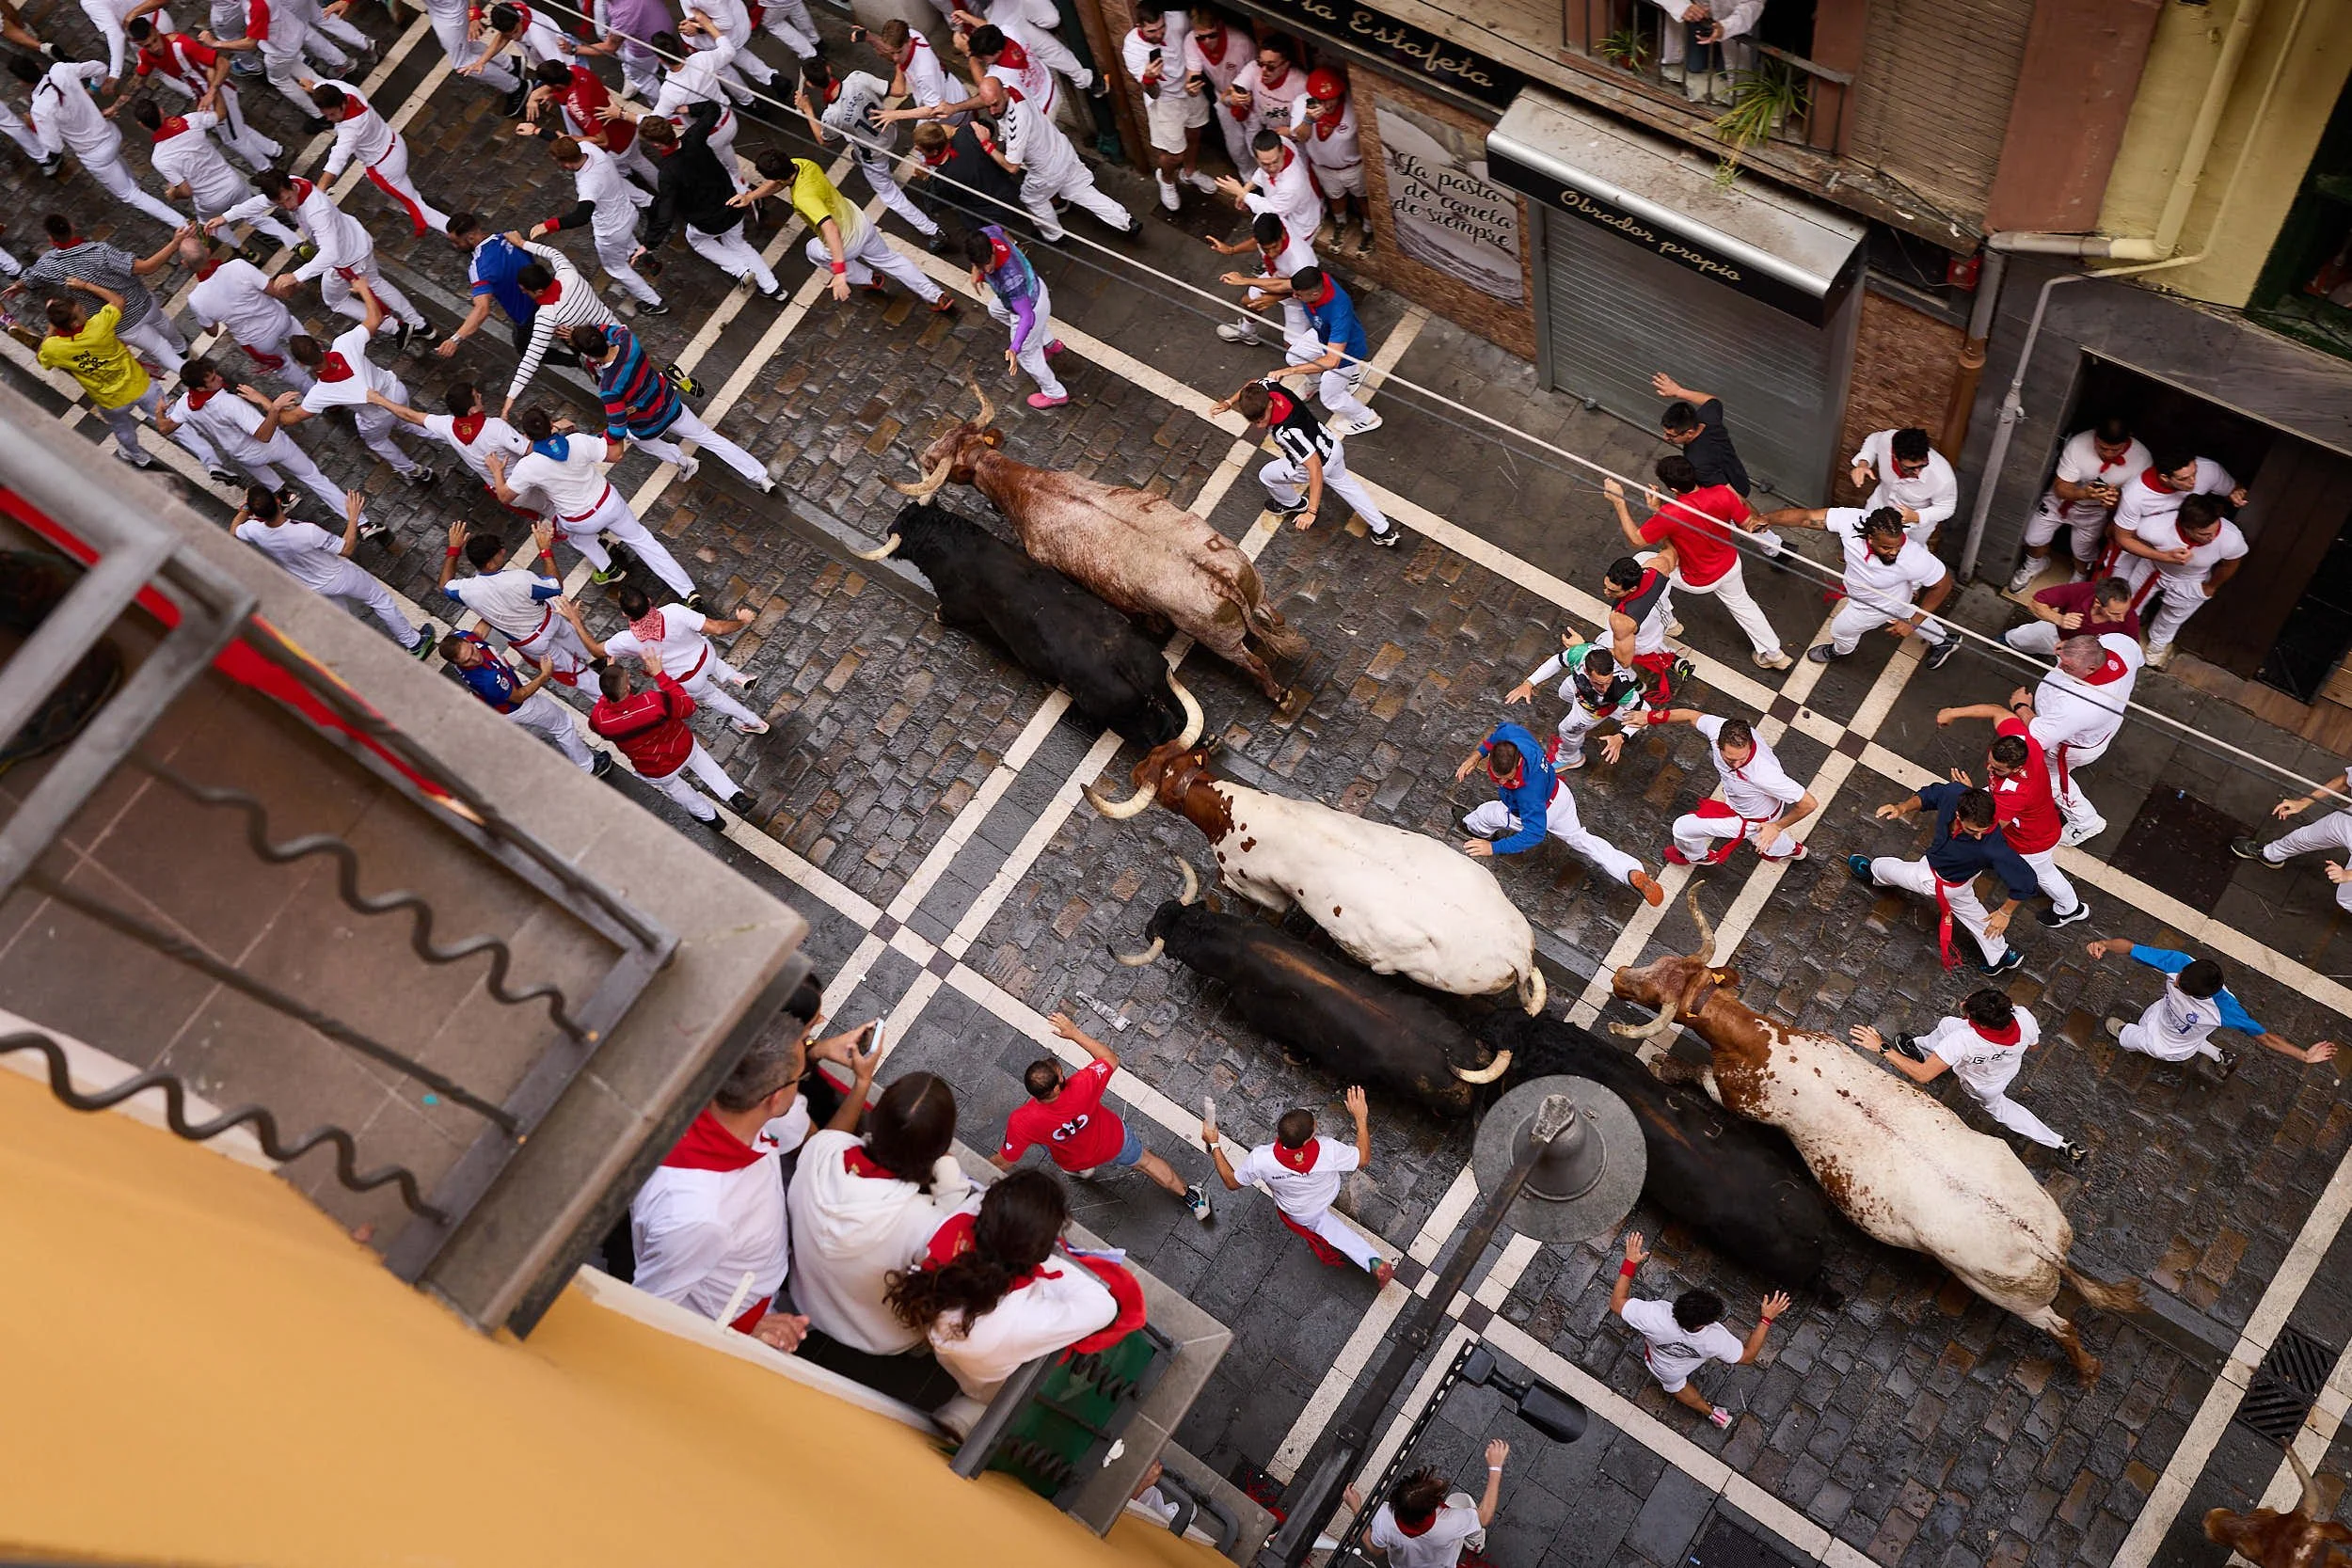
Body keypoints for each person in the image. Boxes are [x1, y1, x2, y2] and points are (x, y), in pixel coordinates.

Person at [628, 1027, 875, 1349]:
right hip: (750, 1312)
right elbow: (646, 1312)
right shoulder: (699, 1219)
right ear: (774, 1099)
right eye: (799, 1078)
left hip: (766, 1265)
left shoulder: (733, 1114)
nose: (800, 1087)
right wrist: (743, 1332)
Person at [885, 1167, 1143, 1435]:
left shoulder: (948, 1232)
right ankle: (977, 1412)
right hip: (997, 1378)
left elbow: (980, 1200)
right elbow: (1103, 1306)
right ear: (1037, 1252)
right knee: (1014, 1393)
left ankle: (966, 1411)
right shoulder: (1017, 1318)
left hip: (958, 1359)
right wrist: (1047, 1259)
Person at [787, 1068, 976, 1355]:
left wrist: (862, 1083)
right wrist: (949, 1171)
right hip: (880, 1338)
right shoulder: (924, 1222)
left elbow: (833, 1136)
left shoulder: (822, 1152)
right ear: (938, 1149)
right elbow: (950, 1222)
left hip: (805, 1300)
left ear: (874, 1120)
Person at [998, 1012, 1214, 1220]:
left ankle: (1082, 1172)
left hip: (1073, 1158)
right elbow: (1110, 1058)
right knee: (1146, 1162)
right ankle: (1192, 1197)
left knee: (1045, 1141)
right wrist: (1074, 1033)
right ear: (1055, 1089)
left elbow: (1004, 1162)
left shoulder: (1022, 1121)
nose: (1061, 1071)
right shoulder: (1083, 1084)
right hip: (1113, 1141)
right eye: (1059, 1075)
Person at [490, 408, 703, 602]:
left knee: (572, 534)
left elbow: (505, 496)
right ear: (551, 422)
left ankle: (606, 566)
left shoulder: (527, 466)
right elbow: (615, 454)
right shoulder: (577, 441)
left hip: (579, 521)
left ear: (527, 436)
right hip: (609, 504)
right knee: (644, 541)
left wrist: (497, 471)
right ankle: (688, 592)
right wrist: (614, 432)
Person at [1851, 990, 2082, 1163]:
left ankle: (1919, 1050)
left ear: (1980, 1023)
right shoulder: (2023, 1017)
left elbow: (1923, 1076)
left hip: (1979, 1084)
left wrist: (1882, 1047)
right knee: (1947, 1026)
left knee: (1949, 1035)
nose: (1963, 1003)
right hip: (2004, 1072)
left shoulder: (1963, 1040)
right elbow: (2033, 1047)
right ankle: (2059, 1143)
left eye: (1968, 1010)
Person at [214, 171, 436, 344]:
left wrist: (296, 276)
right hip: (354, 243)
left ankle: (403, 326)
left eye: (287, 200)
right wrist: (226, 217)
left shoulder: (316, 211)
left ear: (291, 189)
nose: (287, 206)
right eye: (280, 204)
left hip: (347, 259)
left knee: (338, 299)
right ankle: (417, 326)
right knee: (372, 285)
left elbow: (330, 254)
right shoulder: (291, 182)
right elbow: (260, 203)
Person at [1454, 721, 1663, 905]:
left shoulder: (1527, 793)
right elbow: (1497, 736)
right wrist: (1475, 757)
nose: (1501, 782)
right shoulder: (1513, 736)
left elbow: (1533, 834)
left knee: (1487, 814)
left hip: (1534, 811)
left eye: (1506, 778)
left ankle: (1476, 831)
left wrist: (1493, 847)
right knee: (1581, 838)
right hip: (1560, 796)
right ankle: (1631, 871)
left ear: (1519, 762)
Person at [1607, 463, 1788, 670]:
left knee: (1642, 562)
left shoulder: (1671, 513)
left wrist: (1619, 501)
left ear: (1673, 489)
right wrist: (1659, 510)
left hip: (1697, 579)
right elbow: (1747, 523)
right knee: (1743, 604)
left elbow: (1636, 539)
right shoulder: (1722, 493)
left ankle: (1670, 623)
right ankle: (1774, 653)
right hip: (1729, 565)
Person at [1204, 1085, 1389, 1282]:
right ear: (1308, 1139)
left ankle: (1372, 1261)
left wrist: (1214, 1143)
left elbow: (1232, 1182)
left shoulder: (1261, 1159)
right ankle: (1372, 1262)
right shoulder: (1328, 1150)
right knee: (1330, 1226)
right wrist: (1361, 1117)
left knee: (1331, 1230)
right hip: (1328, 1192)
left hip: (1302, 1212)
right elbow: (1363, 1158)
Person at [1929, 702, 2088, 927]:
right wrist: (1954, 711)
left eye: (1998, 770)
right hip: (2041, 820)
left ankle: (2071, 908)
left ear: (2015, 768)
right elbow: (1998, 711)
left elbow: (1987, 825)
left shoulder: (2014, 793)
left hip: (2031, 841)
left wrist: (1968, 793)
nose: (1989, 770)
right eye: (1991, 762)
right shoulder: (2023, 745)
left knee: (2043, 874)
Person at [1851, 783, 2037, 974]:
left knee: (1889, 868)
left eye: (1984, 829)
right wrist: (1902, 807)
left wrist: (2005, 912)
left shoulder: (1992, 847)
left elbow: (2026, 879)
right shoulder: (1953, 793)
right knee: (1970, 911)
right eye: (1973, 830)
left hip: (1934, 880)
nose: (1980, 836)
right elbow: (1930, 795)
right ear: (1958, 814)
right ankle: (2000, 955)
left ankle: (1874, 871)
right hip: (1961, 880)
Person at [1609, 1229, 1787, 1427]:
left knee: (1675, 1386)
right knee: (1678, 1384)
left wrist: (1630, 1262)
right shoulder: (1715, 1341)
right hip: (1689, 1360)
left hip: (1664, 1365)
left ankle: (1713, 1414)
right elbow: (1748, 1356)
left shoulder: (1655, 1317)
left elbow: (1617, 1303)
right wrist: (1766, 1319)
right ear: (1703, 1323)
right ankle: (1716, 1416)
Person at [2087, 938, 2338, 1075]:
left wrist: (2304, 1055)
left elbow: (2267, 1038)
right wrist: (2106, 945)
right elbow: (2131, 947)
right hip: (2170, 1020)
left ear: (2200, 997)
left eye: (2180, 984)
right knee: (2194, 1036)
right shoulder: (2179, 962)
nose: (2174, 980)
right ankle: (2220, 1055)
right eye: (2179, 975)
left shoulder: (2226, 1011)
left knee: (2131, 1038)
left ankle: (2124, 1033)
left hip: (2166, 1046)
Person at [272, 280, 438, 488]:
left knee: (376, 441)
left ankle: (413, 471)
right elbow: (375, 317)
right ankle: (445, 434)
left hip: (377, 416)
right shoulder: (345, 343)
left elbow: (290, 418)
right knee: (408, 419)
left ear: (301, 363)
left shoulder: (322, 393)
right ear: (319, 344)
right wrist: (363, 290)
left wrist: (272, 407)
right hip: (395, 390)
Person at [570, 320, 772, 487]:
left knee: (638, 439)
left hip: (648, 425)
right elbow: (613, 329)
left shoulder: (609, 387)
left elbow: (617, 430)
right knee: (709, 438)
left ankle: (682, 461)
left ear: (589, 355)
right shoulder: (629, 342)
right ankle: (760, 476)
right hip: (670, 404)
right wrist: (588, 332)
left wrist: (601, 436)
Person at [1757, 502, 1959, 670]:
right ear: (1869, 537)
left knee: (1841, 630)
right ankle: (1944, 640)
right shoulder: (1851, 521)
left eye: (1898, 546)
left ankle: (1838, 650)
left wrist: (1913, 622)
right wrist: (1765, 519)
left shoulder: (1914, 557)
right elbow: (1806, 517)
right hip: (1891, 594)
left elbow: (1943, 584)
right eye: (1887, 547)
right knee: (1903, 611)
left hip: (1873, 606)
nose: (1894, 553)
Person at [231, 488, 432, 655]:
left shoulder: (254, 530)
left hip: (313, 585)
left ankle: (361, 654)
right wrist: (353, 517)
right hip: (340, 575)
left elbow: (234, 530)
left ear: (257, 515)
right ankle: (414, 643)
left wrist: (245, 508)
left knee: (344, 620)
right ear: (277, 500)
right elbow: (346, 548)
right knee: (379, 600)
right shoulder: (307, 531)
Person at [11, 54, 188, 230]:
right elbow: (100, 68)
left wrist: (34, 127)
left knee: (130, 195)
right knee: (119, 166)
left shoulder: (40, 109)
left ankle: (182, 224)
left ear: (21, 82)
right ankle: (136, 184)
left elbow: (54, 147)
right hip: (111, 133)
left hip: (96, 155)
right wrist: (94, 88)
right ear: (35, 64)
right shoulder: (60, 70)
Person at [764, 151, 954, 313]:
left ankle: (869, 278)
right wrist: (750, 196)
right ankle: (936, 295)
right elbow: (780, 183)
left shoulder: (803, 198)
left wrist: (840, 274)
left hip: (846, 245)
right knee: (891, 260)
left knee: (812, 250)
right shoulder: (803, 164)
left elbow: (830, 230)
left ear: (777, 178)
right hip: (861, 223)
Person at [1216, 375, 1398, 546]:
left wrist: (1311, 511)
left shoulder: (1286, 433)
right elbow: (1252, 385)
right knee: (1346, 485)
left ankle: (1292, 503)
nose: (1257, 425)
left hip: (1313, 463)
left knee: (1267, 475)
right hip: (1331, 445)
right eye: (1253, 420)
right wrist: (1229, 402)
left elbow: (1315, 468)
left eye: (1260, 419)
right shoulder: (1268, 387)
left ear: (1269, 405)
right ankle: (1383, 530)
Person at [159, 358, 354, 515]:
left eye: (215, 374)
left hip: (243, 455)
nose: (219, 379)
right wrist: (273, 408)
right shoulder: (230, 403)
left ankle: (285, 495)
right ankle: (360, 522)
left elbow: (165, 428)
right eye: (212, 379)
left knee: (255, 467)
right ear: (201, 388)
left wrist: (159, 412)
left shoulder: (185, 404)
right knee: (313, 477)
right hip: (272, 446)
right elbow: (263, 435)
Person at [579, 583, 769, 736]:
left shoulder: (627, 640)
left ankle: (754, 722)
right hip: (706, 655)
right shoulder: (674, 611)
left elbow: (596, 650)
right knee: (717, 665)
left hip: (689, 680)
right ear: (649, 600)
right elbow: (718, 628)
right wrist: (742, 622)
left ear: (625, 614)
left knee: (715, 697)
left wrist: (575, 620)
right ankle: (737, 677)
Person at [588, 653, 755, 825]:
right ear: (628, 686)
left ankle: (710, 818)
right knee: (706, 766)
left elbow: (595, 723)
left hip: (656, 768)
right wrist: (660, 675)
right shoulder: (653, 702)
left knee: (678, 791)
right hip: (682, 747)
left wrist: (608, 691)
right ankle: (734, 795)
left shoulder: (601, 719)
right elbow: (688, 706)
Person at [2011, 629, 2143, 847]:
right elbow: (2136, 657)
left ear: (2091, 668)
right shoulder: (2121, 643)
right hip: (2092, 730)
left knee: (2047, 776)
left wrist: (2021, 706)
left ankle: (2085, 821)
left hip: (2068, 746)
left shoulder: (2080, 705)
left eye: (2068, 667)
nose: (2060, 666)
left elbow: (2039, 735)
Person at [795, 53, 941, 247]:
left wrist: (808, 110)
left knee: (890, 195)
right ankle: (934, 171)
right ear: (828, 68)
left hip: (874, 154)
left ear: (811, 85)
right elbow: (897, 90)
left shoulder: (831, 115)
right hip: (889, 130)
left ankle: (933, 231)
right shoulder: (857, 77)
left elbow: (824, 140)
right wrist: (899, 63)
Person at [641, 106, 785, 301]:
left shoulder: (667, 173)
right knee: (738, 244)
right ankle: (773, 288)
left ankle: (740, 271)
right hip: (733, 206)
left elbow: (665, 215)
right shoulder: (694, 137)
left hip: (708, 222)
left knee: (697, 241)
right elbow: (713, 109)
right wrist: (689, 108)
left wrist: (648, 244)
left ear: (656, 145)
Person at [19, 214, 190, 372]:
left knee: (160, 350)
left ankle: (189, 372)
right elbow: (147, 267)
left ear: (51, 238)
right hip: (143, 303)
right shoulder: (100, 251)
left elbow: (31, 277)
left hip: (120, 323)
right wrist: (175, 243)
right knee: (163, 323)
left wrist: (18, 285)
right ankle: (181, 347)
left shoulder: (49, 264)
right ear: (72, 226)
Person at [437, 518, 600, 684]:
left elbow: (444, 585)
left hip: (531, 643)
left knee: (574, 672)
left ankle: (599, 684)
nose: (504, 551)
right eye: (499, 551)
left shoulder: (465, 591)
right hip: (550, 621)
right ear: (490, 562)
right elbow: (556, 586)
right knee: (576, 641)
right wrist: (545, 551)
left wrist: (454, 549)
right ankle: (599, 663)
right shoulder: (520, 578)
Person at [978, 73, 1136, 242]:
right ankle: (1126, 221)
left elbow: (1012, 166)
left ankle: (1054, 236)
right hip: (1062, 151)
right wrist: (956, 108)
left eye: (995, 105)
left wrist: (986, 145)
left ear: (1004, 93)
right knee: (1082, 191)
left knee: (1032, 198)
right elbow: (987, 95)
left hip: (1046, 170)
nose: (992, 111)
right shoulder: (1011, 83)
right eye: (988, 106)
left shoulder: (1017, 121)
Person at [1645, 710, 1814, 865]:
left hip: (1752, 819)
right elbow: (1692, 715)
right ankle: (1789, 850)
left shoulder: (1763, 774)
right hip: (1748, 802)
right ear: (1718, 743)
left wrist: (1777, 827)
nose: (1738, 764)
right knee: (1762, 835)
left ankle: (1697, 856)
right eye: (1731, 759)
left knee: (1682, 828)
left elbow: (1809, 803)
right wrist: (1648, 717)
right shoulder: (1719, 729)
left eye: (1743, 758)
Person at [2104, 491, 2247, 669]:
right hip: (2154, 569)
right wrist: (2160, 555)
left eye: (2214, 530)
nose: (2212, 537)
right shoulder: (2155, 527)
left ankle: (2157, 645)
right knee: (2129, 605)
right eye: (2204, 534)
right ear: (2186, 527)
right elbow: (2124, 537)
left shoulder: (2231, 538)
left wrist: (2211, 586)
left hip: (2192, 579)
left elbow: (2230, 564)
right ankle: (2119, 638)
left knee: (2173, 617)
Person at [2006, 416, 2149, 593]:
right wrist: (2085, 493)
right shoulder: (2078, 444)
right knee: (2033, 538)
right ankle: (2034, 564)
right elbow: (2061, 488)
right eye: (2103, 448)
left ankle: (2080, 576)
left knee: (2083, 552)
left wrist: (2113, 503)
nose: (2108, 454)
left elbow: (2134, 503)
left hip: (2095, 513)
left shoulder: (2142, 459)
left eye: (2115, 450)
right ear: (2095, 436)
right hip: (2059, 503)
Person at [135, 102, 296, 254]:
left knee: (208, 225)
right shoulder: (191, 121)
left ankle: (243, 250)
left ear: (142, 125)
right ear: (161, 110)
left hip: (210, 200)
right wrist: (215, 89)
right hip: (233, 184)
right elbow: (220, 115)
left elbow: (186, 191)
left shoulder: (159, 158)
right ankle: (296, 243)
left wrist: (173, 194)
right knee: (256, 217)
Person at [533, 135, 665, 316]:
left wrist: (549, 225)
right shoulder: (588, 147)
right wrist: (538, 131)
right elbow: (566, 140)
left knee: (617, 268)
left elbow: (581, 216)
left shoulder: (588, 183)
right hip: (628, 212)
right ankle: (646, 258)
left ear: (566, 164)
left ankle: (655, 302)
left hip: (611, 230)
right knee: (627, 238)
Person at [441, 631, 606, 774]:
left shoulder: (461, 638)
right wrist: (544, 674)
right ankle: (588, 766)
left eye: (472, 650)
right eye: (467, 660)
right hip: (517, 706)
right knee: (562, 723)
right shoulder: (487, 680)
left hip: (497, 700)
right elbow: (519, 696)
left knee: (560, 723)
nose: (476, 658)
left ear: (467, 642)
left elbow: (477, 633)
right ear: (458, 663)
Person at [38, 278, 162, 467]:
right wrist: (86, 286)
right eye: (80, 312)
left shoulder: (53, 348)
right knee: (164, 415)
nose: (84, 311)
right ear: (73, 323)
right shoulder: (98, 325)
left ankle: (139, 457)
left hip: (109, 401)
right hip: (137, 385)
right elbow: (118, 301)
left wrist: (51, 328)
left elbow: (41, 357)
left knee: (122, 429)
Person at [127, 20, 280, 170]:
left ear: (155, 30)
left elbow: (223, 64)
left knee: (233, 139)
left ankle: (266, 169)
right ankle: (273, 149)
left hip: (219, 92)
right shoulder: (147, 55)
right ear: (140, 45)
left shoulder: (182, 45)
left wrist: (211, 92)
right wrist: (115, 106)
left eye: (155, 40)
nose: (155, 47)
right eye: (149, 45)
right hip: (206, 95)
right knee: (236, 128)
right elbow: (138, 78)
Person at [373, 380, 542, 516]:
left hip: (503, 488)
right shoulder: (496, 428)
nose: (480, 396)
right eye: (477, 396)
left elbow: (410, 415)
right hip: (528, 481)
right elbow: (530, 450)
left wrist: (380, 400)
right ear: (472, 410)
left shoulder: (447, 426)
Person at [308, 76, 448, 236]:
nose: (329, 119)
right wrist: (314, 87)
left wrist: (320, 189)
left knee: (415, 206)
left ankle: (456, 231)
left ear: (343, 104)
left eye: (332, 114)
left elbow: (337, 159)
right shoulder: (348, 91)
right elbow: (327, 85)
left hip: (385, 169)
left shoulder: (350, 130)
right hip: (394, 142)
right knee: (406, 199)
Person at [500, 235, 620, 415]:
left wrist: (510, 399)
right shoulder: (568, 272)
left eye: (525, 291)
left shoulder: (548, 316)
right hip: (619, 334)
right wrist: (522, 243)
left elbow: (531, 359)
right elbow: (551, 252)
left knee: (619, 389)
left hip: (602, 358)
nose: (524, 294)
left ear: (539, 291)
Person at [1506, 627, 1645, 771]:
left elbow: (1643, 711)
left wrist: (1622, 736)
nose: (1604, 689)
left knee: (1567, 729)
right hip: (1576, 687)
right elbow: (1557, 661)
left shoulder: (1621, 690)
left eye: (1608, 682)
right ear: (1585, 670)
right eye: (1598, 683)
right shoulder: (1578, 653)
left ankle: (1570, 758)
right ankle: (1622, 712)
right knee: (1563, 693)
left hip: (1592, 711)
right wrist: (1529, 683)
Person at [1350, 1446, 1509, 1568]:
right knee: (1462, 1500)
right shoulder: (1451, 1522)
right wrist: (1495, 1468)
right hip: (1444, 1563)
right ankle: (1476, 1545)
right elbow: (1485, 1517)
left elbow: (1376, 1550)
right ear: (1432, 1507)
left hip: (1403, 1564)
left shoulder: (1382, 1516)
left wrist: (1358, 1510)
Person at [183, 236, 310, 388]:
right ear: (208, 251)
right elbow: (277, 291)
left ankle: (320, 398)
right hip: (281, 319)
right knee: (309, 348)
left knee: (287, 369)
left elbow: (212, 331)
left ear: (185, 264)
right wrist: (296, 286)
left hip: (259, 341)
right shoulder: (238, 266)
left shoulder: (195, 299)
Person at [1265, 265, 1376, 436]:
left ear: (1315, 294)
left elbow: (1333, 361)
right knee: (1295, 356)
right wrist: (1244, 281)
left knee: (1331, 398)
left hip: (1346, 353)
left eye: (1299, 295)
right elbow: (1283, 286)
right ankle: (1318, 382)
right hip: (1324, 335)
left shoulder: (1339, 310)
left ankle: (1366, 418)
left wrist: (1287, 372)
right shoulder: (1318, 280)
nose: (1294, 296)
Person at [966, 224, 1067, 410]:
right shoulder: (988, 235)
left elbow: (1027, 317)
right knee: (995, 309)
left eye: (987, 263)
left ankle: (1055, 393)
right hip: (1035, 291)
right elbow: (998, 227)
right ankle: (1049, 344)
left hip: (1029, 307)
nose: (986, 269)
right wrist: (976, 270)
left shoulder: (1011, 279)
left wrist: (1015, 347)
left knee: (1026, 356)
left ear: (992, 252)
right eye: (980, 265)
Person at [517, 56, 657, 186]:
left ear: (557, 85)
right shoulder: (576, 70)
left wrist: (573, 139)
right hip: (625, 127)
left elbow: (603, 141)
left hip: (616, 146)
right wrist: (554, 95)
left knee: (622, 174)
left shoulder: (577, 108)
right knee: (638, 162)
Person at [2232, 768, 2352, 916]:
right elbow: (2344, 782)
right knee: (2301, 838)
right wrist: (2303, 802)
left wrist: (2347, 875)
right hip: (2347, 822)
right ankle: (2270, 855)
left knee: (2345, 899)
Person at [1124, 9, 1210, 212]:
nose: (1160, 33)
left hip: (1189, 88)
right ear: (1139, 26)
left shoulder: (1177, 20)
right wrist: (1149, 78)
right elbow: (1152, 93)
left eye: (1162, 27)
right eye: (1152, 30)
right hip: (1165, 100)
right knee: (1174, 154)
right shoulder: (1132, 48)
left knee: (1195, 132)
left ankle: (1189, 173)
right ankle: (1166, 180)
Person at [1284, 70, 1367, 252]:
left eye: (1330, 99)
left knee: (1362, 199)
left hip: (1353, 166)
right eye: (1320, 100)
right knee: (1335, 198)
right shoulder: (1302, 103)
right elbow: (1301, 137)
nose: (1325, 104)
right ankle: (1341, 224)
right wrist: (1309, 119)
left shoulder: (1353, 104)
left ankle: (1368, 229)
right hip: (1324, 167)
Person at [1207, 208, 1312, 347]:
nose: (1271, 254)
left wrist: (1274, 297)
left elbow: (1305, 288)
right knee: (1249, 302)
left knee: (1291, 346)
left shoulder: (1301, 261)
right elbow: (1255, 241)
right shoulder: (1263, 226)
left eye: (1274, 247)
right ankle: (1247, 332)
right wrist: (1231, 250)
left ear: (1283, 235)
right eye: (1265, 249)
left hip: (1298, 297)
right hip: (1275, 277)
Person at [438, 213, 539, 357]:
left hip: (527, 315)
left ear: (471, 238)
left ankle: (575, 361)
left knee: (524, 349)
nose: (455, 246)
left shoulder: (479, 268)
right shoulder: (509, 237)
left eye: (457, 242)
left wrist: (455, 339)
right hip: (546, 294)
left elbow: (482, 309)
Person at [1599, 554, 1688, 715]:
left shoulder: (1621, 621)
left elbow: (1624, 660)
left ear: (1632, 589)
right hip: (1662, 622)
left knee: (1604, 650)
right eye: (1606, 586)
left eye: (1613, 590)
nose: (1606, 592)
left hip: (1645, 642)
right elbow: (1672, 553)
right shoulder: (1657, 564)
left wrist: (1587, 649)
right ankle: (1673, 656)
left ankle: (1637, 684)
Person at [905, 119, 1025, 234]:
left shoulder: (944, 179)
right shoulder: (965, 134)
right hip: (1007, 187)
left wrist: (926, 178)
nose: (916, 148)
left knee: (989, 230)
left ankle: (1012, 247)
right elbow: (987, 126)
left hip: (989, 212)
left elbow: (933, 205)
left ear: (934, 152)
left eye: (920, 149)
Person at [1217, 126, 1320, 261]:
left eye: (1275, 162)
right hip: (1288, 210)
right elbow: (1262, 173)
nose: (1271, 168)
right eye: (1265, 164)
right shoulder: (1279, 143)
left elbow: (1271, 211)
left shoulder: (1291, 185)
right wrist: (1248, 186)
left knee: (1287, 257)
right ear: (1256, 159)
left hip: (1299, 226)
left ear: (1282, 151)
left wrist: (1243, 193)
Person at [1848, 427, 1956, 546]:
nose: (1917, 472)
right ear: (1894, 456)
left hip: (1913, 526)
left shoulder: (1942, 477)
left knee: (1902, 558)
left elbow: (1947, 508)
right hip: (1879, 505)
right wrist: (1863, 463)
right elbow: (1873, 440)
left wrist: (1917, 516)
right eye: (1909, 468)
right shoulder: (1887, 440)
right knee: (1863, 543)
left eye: (1922, 466)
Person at [2002, 574, 2141, 659]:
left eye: (2125, 611)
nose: (2123, 618)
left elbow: (2131, 651)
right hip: (2057, 634)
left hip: (2086, 656)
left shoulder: (2129, 618)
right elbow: (2035, 603)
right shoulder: (2082, 590)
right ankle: (2007, 641)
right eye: (2115, 614)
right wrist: (2059, 619)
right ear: (2098, 603)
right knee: (2020, 638)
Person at [416, 0, 524, 110]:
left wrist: (473, 12)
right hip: (440, 8)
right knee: (464, 44)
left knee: (461, 63)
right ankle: (510, 64)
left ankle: (517, 87)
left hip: (451, 11)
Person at [1183, 5, 1252, 174]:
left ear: (1220, 27)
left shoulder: (1241, 42)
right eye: (1201, 38)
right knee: (1236, 145)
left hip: (1249, 98)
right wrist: (1191, 88)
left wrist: (1240, 95)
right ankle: (1247, 177)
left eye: (1211, 35)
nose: (1206, 42)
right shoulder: (1191, 41)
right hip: (1223, 96)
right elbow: (1193, 73)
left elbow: (1255, 71)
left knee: (1254, 143)